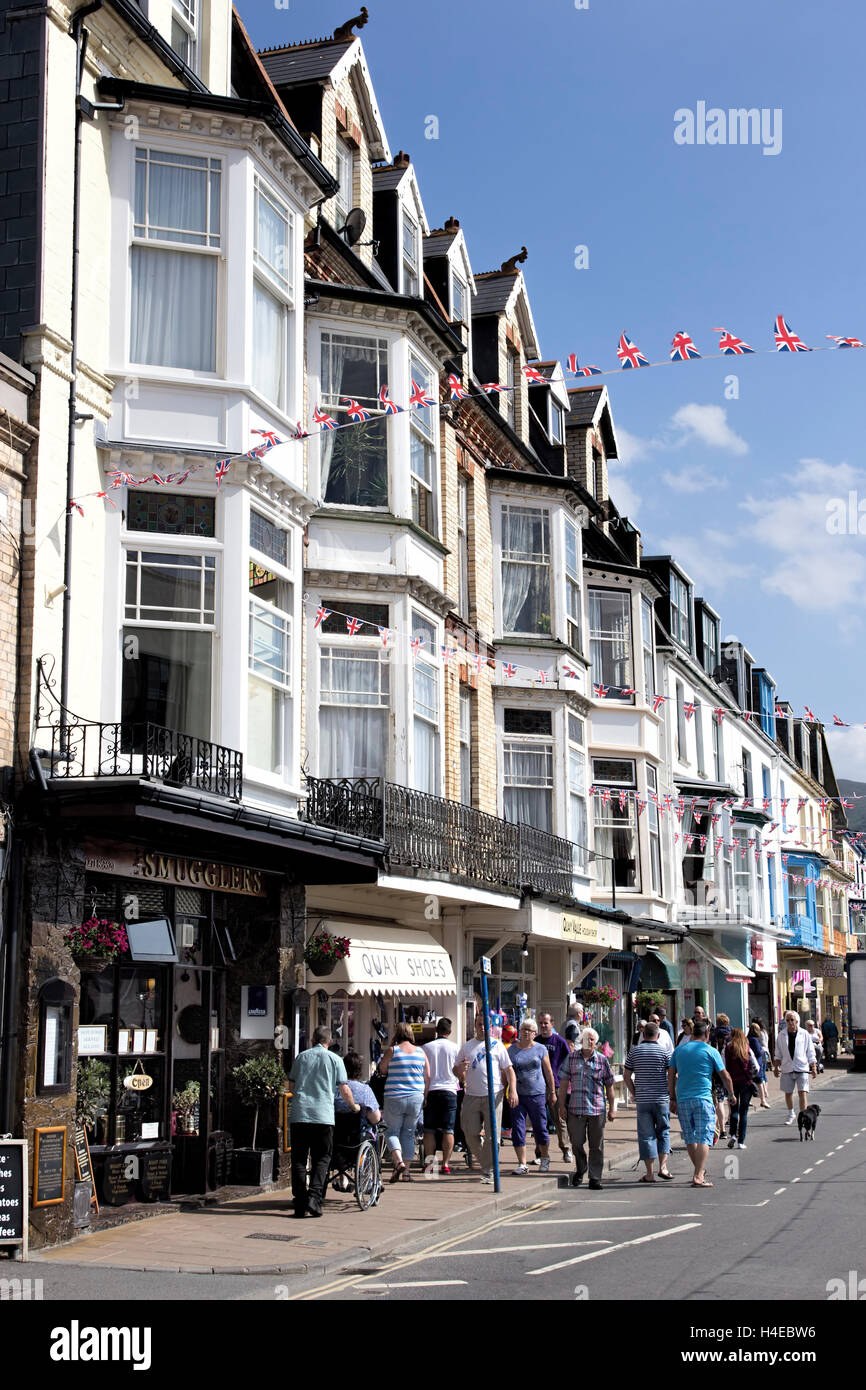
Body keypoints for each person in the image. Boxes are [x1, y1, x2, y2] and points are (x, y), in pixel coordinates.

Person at [289, 1026, 358, 1218]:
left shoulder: (301, 1057)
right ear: (329, 1041)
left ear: (312, 1039)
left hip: (300, 1115)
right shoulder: (335, 1059)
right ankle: (314, 1197)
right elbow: (344, 1090)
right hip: (323, 1117)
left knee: (299, 1160)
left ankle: (300, 1203)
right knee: (322, 1158)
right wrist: (354, 1107)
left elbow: (292, 1085)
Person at [668, 1018, 735, 1188]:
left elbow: (670, 1075)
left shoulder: (679, 1050)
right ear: (706, 1033)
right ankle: (698, 1175)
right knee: (704, 1136)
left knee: (690, 1137)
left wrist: (672, 1097)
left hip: (683, 1098)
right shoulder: (710, 1051)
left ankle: (698, 1170)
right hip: (703, 1098)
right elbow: (725, 1075)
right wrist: (731, 1095)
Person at [453, 1014, 518, 1183]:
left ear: (490, 1027)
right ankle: (486, 1163)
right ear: (475, 1025)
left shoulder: (497, 1046)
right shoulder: (467, 1046)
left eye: (485, 1025)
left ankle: (489, 1171)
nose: (482, 1027)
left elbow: (509, 1070)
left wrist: (513, 1090)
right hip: (472, 1095)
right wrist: (460, 1070)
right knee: (469, 1133)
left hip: (493, 1095)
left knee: (493, 1136)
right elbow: (456, 1070)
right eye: (480, 1024)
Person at [556, 1027, 616, 1190]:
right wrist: (561, 1105)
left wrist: (612, 1108)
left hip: (597, 1108)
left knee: (596, 1145)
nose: (589, 1042)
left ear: (596, 1043)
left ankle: (595, 1177)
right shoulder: (572, 1058)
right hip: (576, 1108)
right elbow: (563, 1084)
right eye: (586, 1039)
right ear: (580, 1040)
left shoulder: (602, 1060)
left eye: (592, 1040)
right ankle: (581, 1167)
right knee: (576, 1142)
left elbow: (609, 1085)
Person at [623, 1020, 673, 1182]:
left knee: (646, 1135)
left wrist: (634, 1092)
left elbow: (626, 1076)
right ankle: (663, 1168)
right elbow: (673, 1074)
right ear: (658, 1035)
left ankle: (650, 1173)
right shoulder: (664, 1052)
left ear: (643, 1034)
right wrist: (670, 1092)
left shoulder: (635, 1052)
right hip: (661, 1098)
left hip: (643, 1099)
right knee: (663, 1132)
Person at [379, 1023, 429, 1182]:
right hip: (416, 1097)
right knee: (408, 1133)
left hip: (395, 1096)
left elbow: (382, 1069)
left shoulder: (393, 1051)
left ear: (396, 1034)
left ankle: (398, 1162)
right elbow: (427, 1076)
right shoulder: (421, 1052)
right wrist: (424, 1096)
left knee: (391, 1131)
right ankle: (406, 1172)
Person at [507, 1018, 557, 1174]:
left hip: (537, 1094)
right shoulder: (512, 1050)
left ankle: (545, 1157)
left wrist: (552, 1092)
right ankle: (522, 1163)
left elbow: (548, 1072)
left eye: (529, 1030)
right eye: (523, 1029)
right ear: (519, 1031)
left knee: (540, 1127)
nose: (526, 1032)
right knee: (518, 1129)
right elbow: (507, 1072)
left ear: (535, 1034)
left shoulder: (541, 1049)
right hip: (518, 1095)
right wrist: (506, 1091)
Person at [421, 1018, 459, 1174]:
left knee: (429, 1130)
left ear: (436, 1030)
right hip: (450, 1090)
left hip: (431, 1090)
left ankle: (430, 1164)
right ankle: (445, 1163)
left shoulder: (425, 1048)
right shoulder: (456, 1048)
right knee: (448, 1129)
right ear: (449, 1032)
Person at [535, 1013, 572, 1162]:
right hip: (538, 1086)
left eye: (546, 1023)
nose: (543, 1026)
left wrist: (566, 1080)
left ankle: (566, 1149)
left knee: (559, 1119)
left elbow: (569, 1061)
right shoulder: (535, 1041)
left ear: (552, 1024)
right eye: (541, 1023)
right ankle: (540, 1152)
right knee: (539, 1120)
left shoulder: (559, 1042)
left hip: (556, 1085)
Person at [773, 1010, 817, 1124]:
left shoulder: (804, 1034)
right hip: (787, 1067)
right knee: (788, 1092)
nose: (790, 1022)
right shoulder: (781, 1035)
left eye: (792, 1020)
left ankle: (803, 1115)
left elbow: (810, 1051)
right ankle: (791, 1113)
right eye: (787, 1020)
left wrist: (814, 1067)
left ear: (797, 1021)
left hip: (801, 1067)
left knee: (802, 1092)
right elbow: (778, 1053)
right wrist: (776, 1067)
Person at [724, 1029, 756, 1149]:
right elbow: (756, 1066)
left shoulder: (728, 1048)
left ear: (732, 1036)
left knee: (734, 1110)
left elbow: (724, 1065)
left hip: (732, 1083)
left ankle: (732, 1134)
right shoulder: (746, 1048)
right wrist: (752, 1076)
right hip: (746, 1083)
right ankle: (741, 1141)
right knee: (744, 1112)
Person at [708, 1013, 732, 1140]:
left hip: (716, 1071)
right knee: (731, 1097)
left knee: (720, 1101)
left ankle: (722, 1129)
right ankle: (731, 1123)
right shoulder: (732, 1035)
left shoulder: (712, 1035)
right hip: (730, 1070)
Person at [748, 1021, 770, 1108]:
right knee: (760, 1082)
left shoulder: (748, 1038)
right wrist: (762, 1050)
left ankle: (749, 1100)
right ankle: (763, 1100)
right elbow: (758, 1052)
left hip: (750, 1064)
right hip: (757, 1064)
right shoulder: (754, 1040)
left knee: (750, 1082)